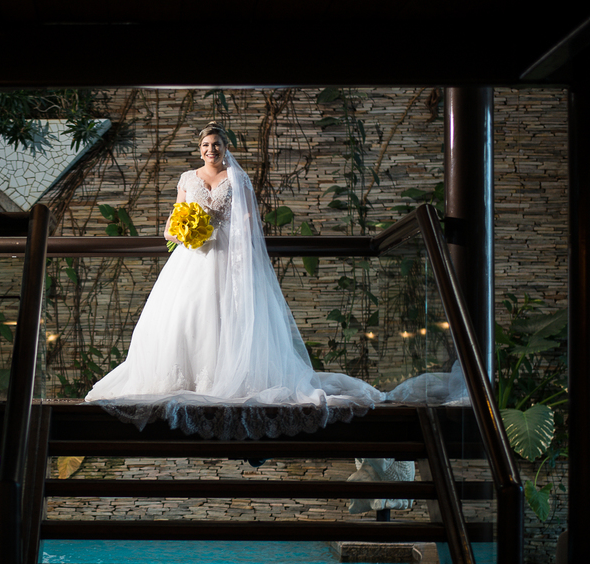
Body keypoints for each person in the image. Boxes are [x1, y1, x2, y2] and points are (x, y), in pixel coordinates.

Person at [85, 122, 385, 440]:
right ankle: (187, 379)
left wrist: (235, 240)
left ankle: (232, 376)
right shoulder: (188, 178)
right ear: (198, 149)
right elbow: (173, 222)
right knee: (189, 313)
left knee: (230, 311)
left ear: (225, 147)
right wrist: (183, 231)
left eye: (215, 144)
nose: (210, 150)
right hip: (195, 254)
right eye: (205, 145)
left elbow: (248, 220)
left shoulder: (237, 178)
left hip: (230, 252)